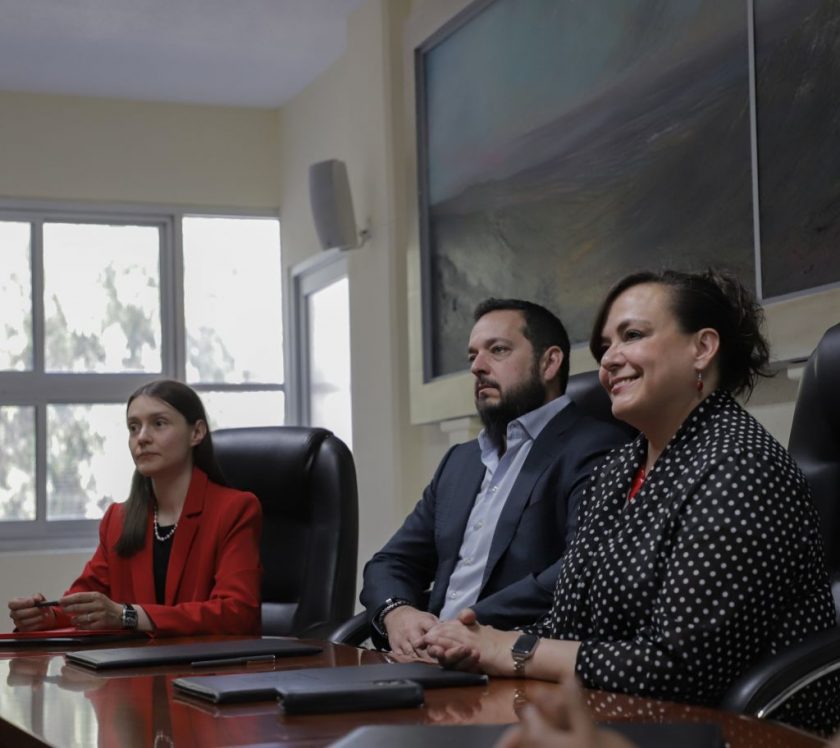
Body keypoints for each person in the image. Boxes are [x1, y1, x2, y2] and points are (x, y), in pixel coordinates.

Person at [423, 270, 839, 733]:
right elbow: (567, 623)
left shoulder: (741, 466)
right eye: (605, 347)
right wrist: (477, 642)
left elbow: (677, 669)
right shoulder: (620, 467)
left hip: (734, 733)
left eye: (633, 335)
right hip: (614, 716)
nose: (608, 360)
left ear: (702, 348)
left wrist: (512, 650)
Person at [360, 298, 629, 654]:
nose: (477, 367)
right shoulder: (460, 461)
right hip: (426, 656)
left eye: (498, 350)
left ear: (549, 363)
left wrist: (461, 626)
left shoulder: (600, 447)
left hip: (513, 660)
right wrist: (398, 613)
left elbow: (579, 572)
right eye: (473, 356)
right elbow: (392, 561)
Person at [8, 379, 262, 636]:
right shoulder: (118, 519)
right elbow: (85, 604)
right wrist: (47, 617)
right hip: (137, 661)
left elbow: (237, 613)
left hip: (206, 661)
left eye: (159, 424)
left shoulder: (234, 509)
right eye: (133, 427)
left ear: (196, 433)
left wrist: (127, 616)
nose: (142, 438)